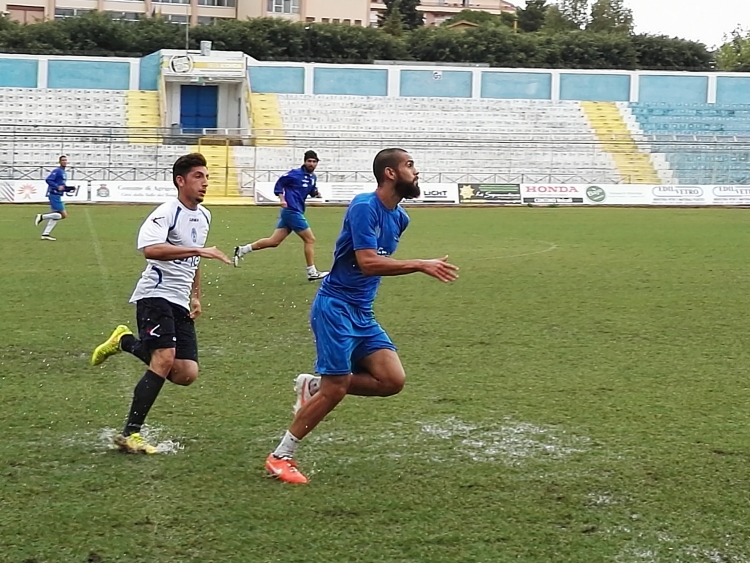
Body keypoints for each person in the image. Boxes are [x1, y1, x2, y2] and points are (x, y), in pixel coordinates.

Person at [265, 148, 459, 484]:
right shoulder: (363, 206)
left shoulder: (400, 218)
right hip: (335, 307)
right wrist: (419, 264)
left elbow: (374, 265)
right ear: (390, 173)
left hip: (362, 312)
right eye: (410, 166)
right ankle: (281, 456)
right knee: (336, 388)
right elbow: (368, 262)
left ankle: (313, 386)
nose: (417, 172)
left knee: (391, 381)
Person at [90, 153, 232, 454]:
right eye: (198, 176)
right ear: (180, 181)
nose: (205, 182)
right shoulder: (167, 212)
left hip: (180, 300)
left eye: (206, 176)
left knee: (185, 373)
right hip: (155, 294)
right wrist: (198, 250)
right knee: (164, 358)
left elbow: (194, 259)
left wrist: (196, 294)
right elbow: (151, 249)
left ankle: (125, 341)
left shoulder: (204, 216)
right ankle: (131, 433)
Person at [233, 150, 329, 281]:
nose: (311, 164)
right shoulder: (294, 174)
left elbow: (311, 190)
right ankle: (311, 272)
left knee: (274, 241)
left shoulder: (313, 177)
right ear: (305, 161)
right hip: (291, 210)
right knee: (310, 239)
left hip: (294, 211)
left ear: (317, 163)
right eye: (309, 161)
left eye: (314, 161)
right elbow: (279, 184)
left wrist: (316, 193)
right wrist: (282, 199)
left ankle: (243, 250)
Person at [34, 155, 74, 241]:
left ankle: (45, 234)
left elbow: (61, 185)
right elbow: (48, 180)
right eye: (63, 160)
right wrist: (56, 187)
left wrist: (67, 189)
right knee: (63, 215)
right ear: (59, 162)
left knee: (55, 216)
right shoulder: (57, 171)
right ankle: (42, 216)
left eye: (65, 160)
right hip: (54, 195)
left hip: (57, 195)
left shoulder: (63, 172)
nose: (64, 162)